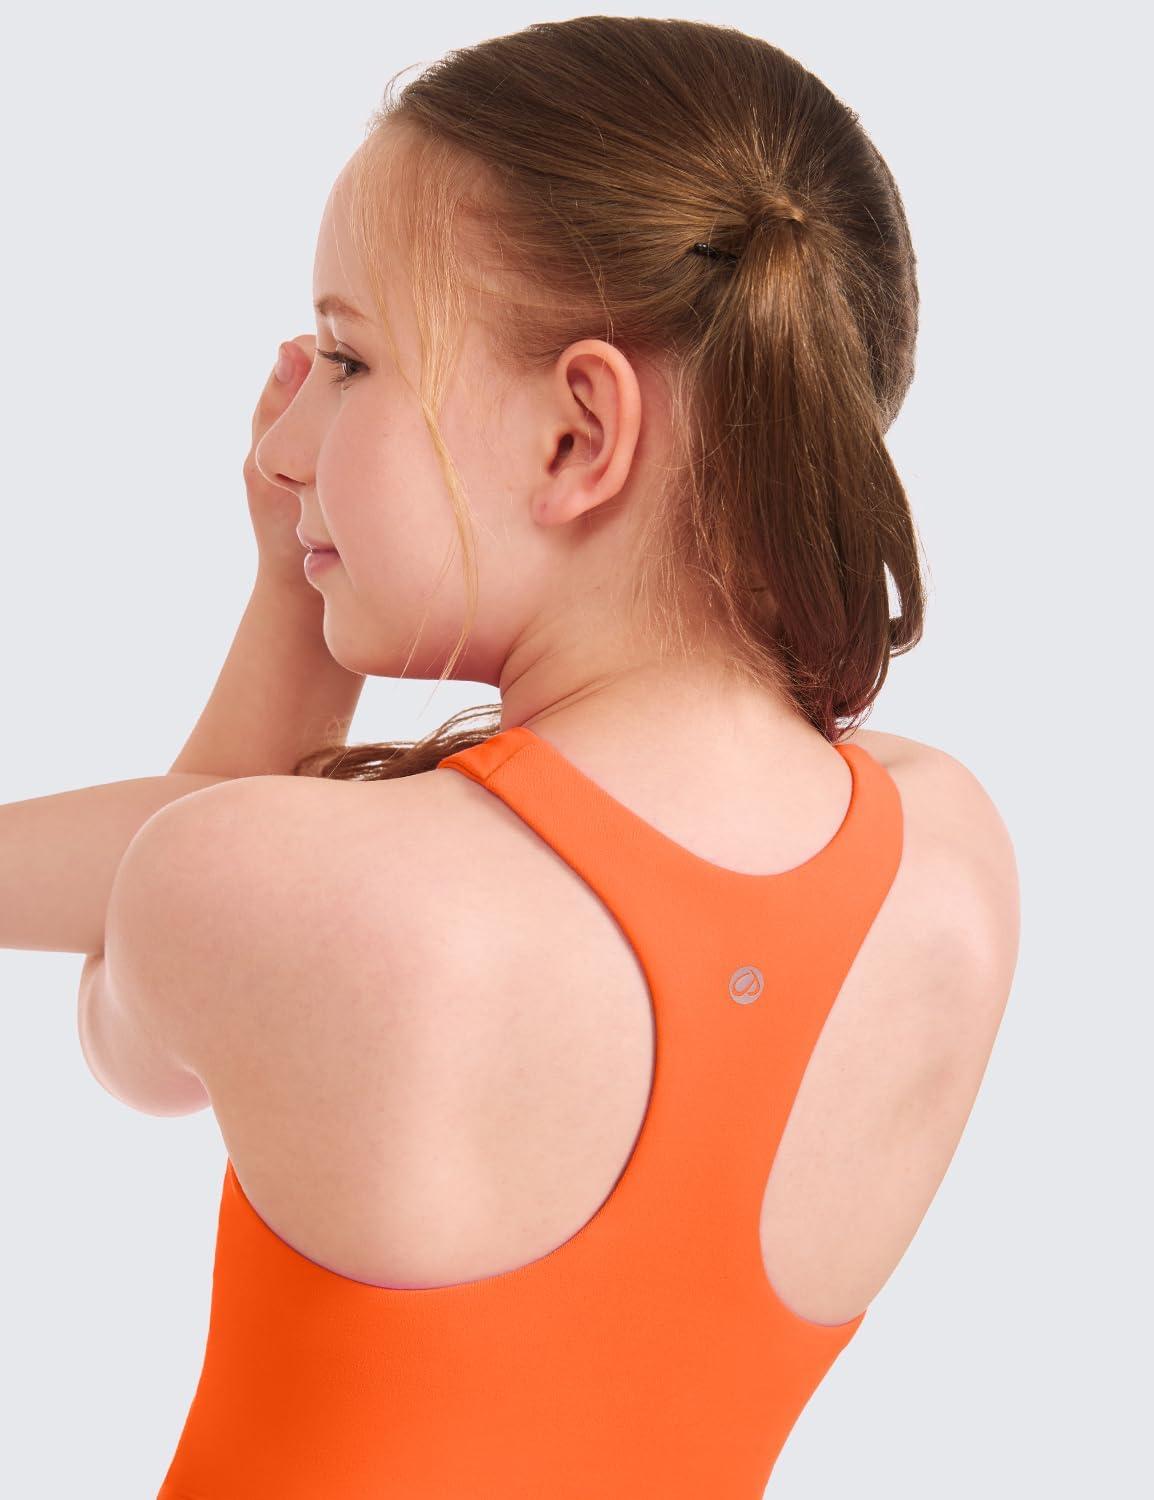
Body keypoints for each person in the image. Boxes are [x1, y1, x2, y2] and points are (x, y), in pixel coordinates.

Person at [45, 16, 1020, 1496]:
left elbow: (135, 1015)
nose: (286, 444)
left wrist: (293, 596)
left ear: (578, 435)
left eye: (348, 361)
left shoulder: (262, 886)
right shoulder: (947, 858)